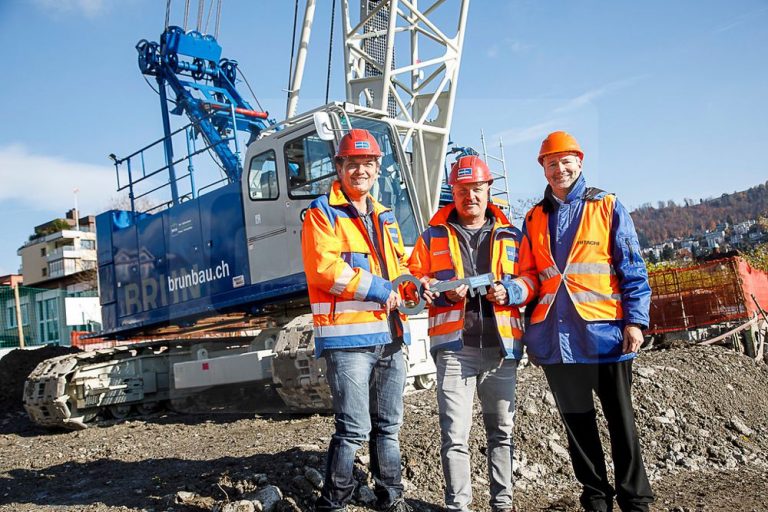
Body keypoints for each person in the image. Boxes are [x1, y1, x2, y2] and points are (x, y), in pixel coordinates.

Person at [507, 131, 654, 512]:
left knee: (622, 422)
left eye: (565, 161)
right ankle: (596, 499)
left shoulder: (607, 205)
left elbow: (632, 267)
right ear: (543, 168)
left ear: (580, 161)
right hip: (558, 342)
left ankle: (635, 501)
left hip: (606, 336)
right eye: (551, 163)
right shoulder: (534, 217)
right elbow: (529, 275)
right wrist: (513, 292)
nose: (559, 169)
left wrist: (635, 321)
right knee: (578, 428)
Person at [301, 128, 413, 512]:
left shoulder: (385, 216)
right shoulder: (322, 213)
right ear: (339, 167)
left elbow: (399, 267)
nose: (360, 170)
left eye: (367, 164)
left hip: (390, 336)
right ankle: (334, 502)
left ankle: (391, 498)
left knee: (388, 427)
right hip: (348, 341)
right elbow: (325, 270)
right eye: (353, 164)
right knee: (352, 429)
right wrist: (383, 290)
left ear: (378, 168)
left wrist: (415, 286)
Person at [408, 155, 524, 512]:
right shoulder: (431, 237)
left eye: (476, 189)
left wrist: (512, 291)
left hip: (501, 349)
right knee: (454, 436)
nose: (470, 196)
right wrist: (441, 288)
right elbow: (414, 281)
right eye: (461, 190)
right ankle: (459, 507)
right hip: (456, 351)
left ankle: (502, 505)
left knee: (501, 433)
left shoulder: (512, 235)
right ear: (452, 193)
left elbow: (532, 278)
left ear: (488, 189)